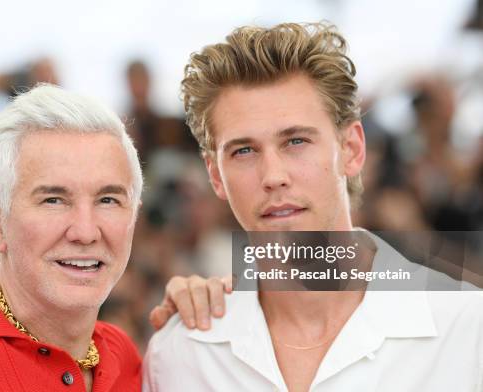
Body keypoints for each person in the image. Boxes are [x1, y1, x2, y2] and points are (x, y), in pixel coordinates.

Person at [143, 22, 483, 391]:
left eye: (296, 141)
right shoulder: (179, 355)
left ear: (351, 150)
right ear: (216, 176)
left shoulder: (467, 332)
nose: (273, 175)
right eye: (243, 150)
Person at [0, 84, 220, 392]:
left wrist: (222, 309)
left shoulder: (127, 357)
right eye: (54, 200)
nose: (85, 231)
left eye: (108, 200)